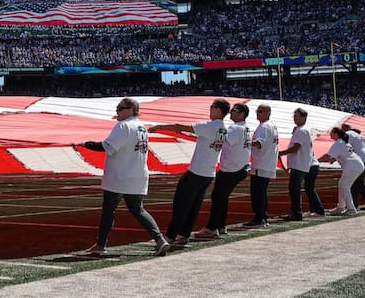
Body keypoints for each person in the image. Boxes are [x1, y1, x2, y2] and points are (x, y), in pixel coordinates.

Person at [76, 97, 171, 257]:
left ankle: (101, 245)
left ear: (130, 109)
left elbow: (106, 147)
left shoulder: (123, 126)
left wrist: (84, 143)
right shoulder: (141, 126)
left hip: (120, 176)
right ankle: (160, 239)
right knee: (137, 210)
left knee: (109, 210)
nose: (117, 111)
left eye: (120, 108)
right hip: (137, 174)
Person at [153, 97, 229, 246]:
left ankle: (170, 235)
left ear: (219, 110)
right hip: (208, 172)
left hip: (197, 172)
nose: (210, 110)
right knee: (194, 205)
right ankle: (184, 234)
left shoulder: (211, 126)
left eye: (212, 107)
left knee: (181, 203)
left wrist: (159, 127)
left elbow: (179, 126)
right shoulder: (223, 128)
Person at [193, 102, 251, 240]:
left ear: (242, 114)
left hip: (231, 169)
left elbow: (221, 139)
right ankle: (220, 225)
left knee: (218, 197)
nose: (231, 113)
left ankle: (212, 228)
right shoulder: (245, 128)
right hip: (240, 167)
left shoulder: (235, 128)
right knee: (222, 197)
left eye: (234, 111)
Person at [278, 107, 324, 221]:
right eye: (294, 116)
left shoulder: (301, 131)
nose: (294, 118)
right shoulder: (301, 130)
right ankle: (308, 211)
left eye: (296, 116)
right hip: (303, 164)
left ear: (303, 117)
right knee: (303, 189)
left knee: (295, 189)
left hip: (299, 165)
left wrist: (281, 153)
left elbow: (295, 148)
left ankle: (297, 213)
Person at [243, 103, 279, 228]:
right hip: (266, 163)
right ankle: (262, 217)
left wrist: (244, 142)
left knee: (257, 193)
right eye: (257, 111)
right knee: (261, 192)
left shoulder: (264, 127)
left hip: (261, 164)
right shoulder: (272, 126)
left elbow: (258, 143)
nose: (257, 114)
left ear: (268, 113)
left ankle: (260, 218)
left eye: (260, 111)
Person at [321, 126, 364, 215]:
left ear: (336, 133)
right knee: (342, 185)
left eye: (331, 133)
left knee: (344, 185)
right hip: (356, 164)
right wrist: (333, 159)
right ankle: (341, 207)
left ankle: (351, 208)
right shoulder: (344, 142)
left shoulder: (339, 142)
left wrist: (316, 160)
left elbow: (327, 156)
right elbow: (336, 156)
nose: (330, 135)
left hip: (352, 165)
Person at [343, 123, 365, 211]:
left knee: (356, 182)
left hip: (360, 159)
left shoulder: (348, 134)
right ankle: (361, 204)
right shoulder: (360, 136)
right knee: (358, 182)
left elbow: (346, 146)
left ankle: (358, 204)